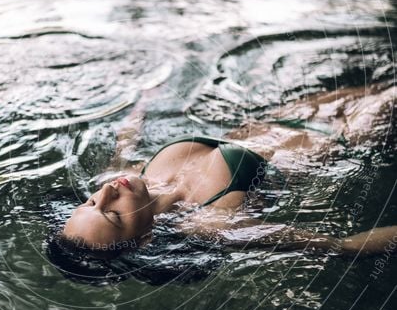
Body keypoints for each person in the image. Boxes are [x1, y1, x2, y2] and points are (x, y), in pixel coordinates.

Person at [57, 84, 397, 260]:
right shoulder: (213, 223)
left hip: (290, 113)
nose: (105, 192)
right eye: (112, 214)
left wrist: (144, 97)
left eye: (89, 202)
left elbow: (124, 141)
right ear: (145, 238)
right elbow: (342, 247)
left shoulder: (126, 178)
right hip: (344, 138)